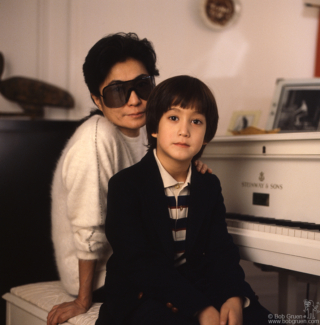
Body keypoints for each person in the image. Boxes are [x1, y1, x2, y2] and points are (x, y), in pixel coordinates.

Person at [47, 33, 211, 325]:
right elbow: (89, 229)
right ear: (97, 99)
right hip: (98, 275)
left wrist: (189, 167)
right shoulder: (96, 139)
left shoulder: (147, 130)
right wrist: (83, 299)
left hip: (139, 257)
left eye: (142, 86)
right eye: (117, 92)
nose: (134, 100)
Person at [95, 75, 272, 325]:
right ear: (155, 127)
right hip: (142, 293)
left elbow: (220, 250)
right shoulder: (125, 185)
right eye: (174, 117)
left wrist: (233, 295)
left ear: (206, 136)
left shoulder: (208, 185)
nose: (184, 130)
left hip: (195, 285)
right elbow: (138, 262)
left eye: (196, 121)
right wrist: (199, 307)